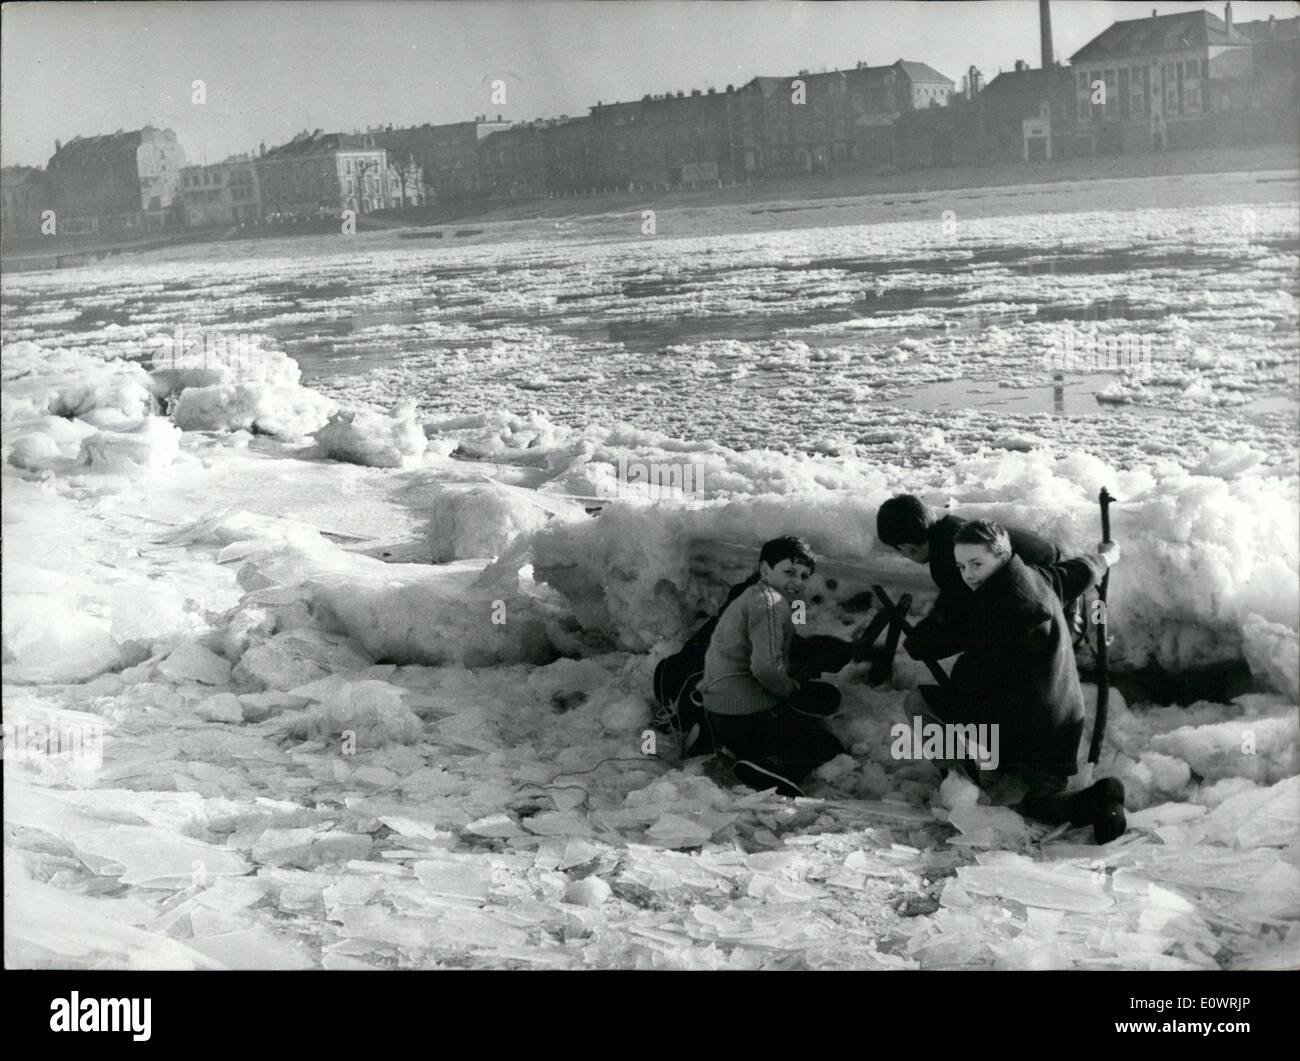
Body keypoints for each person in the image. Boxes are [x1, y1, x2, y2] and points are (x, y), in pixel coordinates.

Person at [902, 519, 1127, 844]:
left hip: (1026, 740)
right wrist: (1106, 557)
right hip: (1059, 731)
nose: (968, 575)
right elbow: (1078, 572)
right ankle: (1092, 797)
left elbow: (982, 690)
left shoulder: (997, 613)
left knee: (1011, 807)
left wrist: (986, 773)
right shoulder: (1037, 578)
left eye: (977, 564)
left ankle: (965, 782)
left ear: (1002, 555)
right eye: (962, 566)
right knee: (1029, 795)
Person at [699, 535, 863, 797]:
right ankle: (774, 767)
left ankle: (743, 748)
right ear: (765, 569)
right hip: (744, 715)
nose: (797, 581)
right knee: (826, 745)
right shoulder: (771, 604)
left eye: (803, 575)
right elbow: (765, 668)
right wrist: (791, 691)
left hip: (721, 710)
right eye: (789, 572)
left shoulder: (753, 596)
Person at [876, 494, 1087, 642]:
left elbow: (960, 613)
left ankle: (1077, 633)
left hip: (1051, 592)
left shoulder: (948, 560)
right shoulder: (952, 528)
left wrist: (922, 640)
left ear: (908, 548)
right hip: (1062, 567)